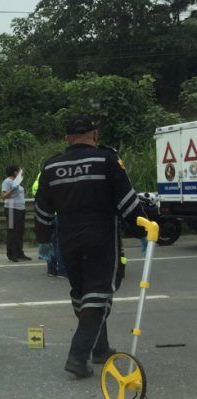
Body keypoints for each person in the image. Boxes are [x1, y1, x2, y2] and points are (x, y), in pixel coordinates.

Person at [34, 115, 145, 378]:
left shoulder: (51, 166)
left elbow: (41, 209)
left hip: (68, 242)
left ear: (66, 139)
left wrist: (44, 239)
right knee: (99, 292)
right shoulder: (106, 160)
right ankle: (78, 354)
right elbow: (127, 200)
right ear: (95, 136)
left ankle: (100, 348)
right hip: (101, 239)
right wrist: (142, 229)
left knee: (81, 292)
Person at [1, 165, 30, 262]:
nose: (20, 173)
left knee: (20, 231)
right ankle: (11, 254)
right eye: (18, 171)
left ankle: (20, 253)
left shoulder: (18, 182)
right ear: (14, 172)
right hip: (11, 208)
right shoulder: (7, 181)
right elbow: (3, 196)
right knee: (12, 232)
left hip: (20, 208)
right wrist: (13, 189)